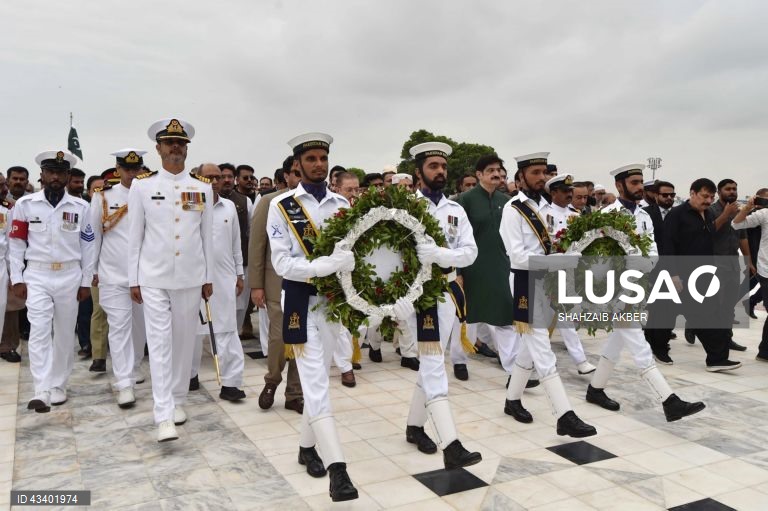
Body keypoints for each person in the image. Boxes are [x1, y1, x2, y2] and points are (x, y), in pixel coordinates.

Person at [267, 132, 358, 502]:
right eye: (311, 160)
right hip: (301, 302)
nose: (318, 164)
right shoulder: (282, 206)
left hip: (333, 302)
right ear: (297, 166)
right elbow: (283, 262)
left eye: (323, 158)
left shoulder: (343, 205)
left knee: (319, 377)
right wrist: (325, 265)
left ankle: (307, 447)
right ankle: (338, 469)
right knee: (316, 385)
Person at [583, 164, 705, 422]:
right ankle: (669, 401)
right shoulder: (606, 215)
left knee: (618, 341)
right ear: (619, 186)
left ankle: (595, 389)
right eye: (635, 182)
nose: (640, 187)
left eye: (641, 182)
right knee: (638, 343)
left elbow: (652, 253)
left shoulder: (644, 215)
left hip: (637, 283)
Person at [128, 118, 214, 442]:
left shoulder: (203, 186)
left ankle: (178, 399)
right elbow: (134, 237)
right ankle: (163, 413)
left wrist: (207, 277)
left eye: (181, 143)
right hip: (153, 277)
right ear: (159, 148)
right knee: (160, 343)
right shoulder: (143, 186)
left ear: (187, 149)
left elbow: (206, 237)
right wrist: (132, 279)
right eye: (169, 143)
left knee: (184, 342)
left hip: (191, 277)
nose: (175, 148)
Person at [500, 152, 596, 437]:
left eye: (544, 172)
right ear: (520, 178)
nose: (541, 177)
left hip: (549, 280)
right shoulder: (513, 209)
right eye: (535, 173)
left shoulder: (547, 209)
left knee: (529, 349)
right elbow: (516, 256)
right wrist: (560, 261)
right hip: (524, 283)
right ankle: (564, 414)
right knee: (542, 349)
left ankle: (512, 400)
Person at [403, 141, 481, 468]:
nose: (440, 172)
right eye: (433, 166)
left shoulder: (455, 209)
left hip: (448, 291)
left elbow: (470, 252)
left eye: (444, 167)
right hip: (418, 294)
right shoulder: (404, 207)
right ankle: (451, 442)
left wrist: (440, 256)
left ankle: (414, 426)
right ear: (418, 171)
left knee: (431, 362)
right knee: (434, 363)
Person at [9, 150, 93, 412]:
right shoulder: (25, 205)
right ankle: (41, 388)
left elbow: (89, 246)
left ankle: (59, 384)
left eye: (60, 172)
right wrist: (17, 277)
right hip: (37, 275)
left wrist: (86, 282)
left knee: (66, 332)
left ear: (68, 176)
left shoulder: (82, 207)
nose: (55, 177)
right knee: (40, 330)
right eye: (50, 172)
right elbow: (16, 244)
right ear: (42, 175)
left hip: (70, 274)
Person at [89, 149, 148, 408]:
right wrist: (92, 271)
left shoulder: (148, 194)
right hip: (112, 274)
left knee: (140, 329)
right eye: (127, 169)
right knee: (120, 327)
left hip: (144, 275)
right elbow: (94, 237)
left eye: (136, 169)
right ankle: (124, 383)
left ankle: (133, 368)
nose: (132, 173)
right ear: (118, 169)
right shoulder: (103, 197)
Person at [662, 178, 741, 372]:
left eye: (711, 197)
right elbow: (667, 244)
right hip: (682, 274)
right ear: (692, 193)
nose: (707, 200)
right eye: (704, 196)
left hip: (704, 274)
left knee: (709, 315)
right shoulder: (677, 215)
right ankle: (658, 348)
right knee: (668, 315)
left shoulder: (705, 214)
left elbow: (709, 234)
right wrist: (672, 274)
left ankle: (717, 359)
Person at [250, 156, 304, 414]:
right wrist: (256, 285)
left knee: (303, 339)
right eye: (295, 173)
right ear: (286, 175)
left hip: (307, 283)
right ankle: (272, 381)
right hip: (276, 283)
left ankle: (295, 393)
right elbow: (258, 246)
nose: (299, 178)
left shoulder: (316, 204)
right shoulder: (270, 202)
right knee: (279, 337)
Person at [190, 164, 246, 401]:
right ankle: (189, 376)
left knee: (227, 329)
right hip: (191, 277)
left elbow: (235, 243)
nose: (214, 180)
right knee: (190, 332)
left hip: (223, 279)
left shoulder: (229, 206)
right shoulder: (188, 203)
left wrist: (239, 273)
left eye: (218, 177)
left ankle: (231, 383)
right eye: (209, 176)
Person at [456, 155, 516, 368]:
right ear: (479, 174)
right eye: (490, 170)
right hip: (471, 267)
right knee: (467, 317)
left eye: (499, 170)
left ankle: (512, 367)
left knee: (504, 315)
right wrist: (458, 271)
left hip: (500, 265)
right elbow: (456, 239)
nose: (496, 174)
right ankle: (459, 360)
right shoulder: (464, 201)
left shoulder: (507, 203)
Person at [541, 174, 595, 374]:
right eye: (565, 191)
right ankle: (541, 358)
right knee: (543, 320)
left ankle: (580, 361)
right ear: (553, 193)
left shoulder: (575, 216)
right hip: (547, 270)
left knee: (566, 316)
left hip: (568, 272)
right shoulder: (542, 213)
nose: (569, 195)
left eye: (570, 192)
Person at [708, 179, 749, 352]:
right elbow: (708, 232)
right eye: (728, 189)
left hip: (733, 264)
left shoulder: (739, 211)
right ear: (719, 192)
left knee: (729, 304)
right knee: (715, 304)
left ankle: (727, 338)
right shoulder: (710, 210)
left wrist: (749, 261)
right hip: (715, 264)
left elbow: (742, 237)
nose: (732, 192)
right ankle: (700, 330)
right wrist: (725, 214)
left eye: (734, 189)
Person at [732, 191, 768, 362]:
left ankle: (764, 351)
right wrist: (747, 208)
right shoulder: (764, 213)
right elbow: (736, 224)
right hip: (766, 268)